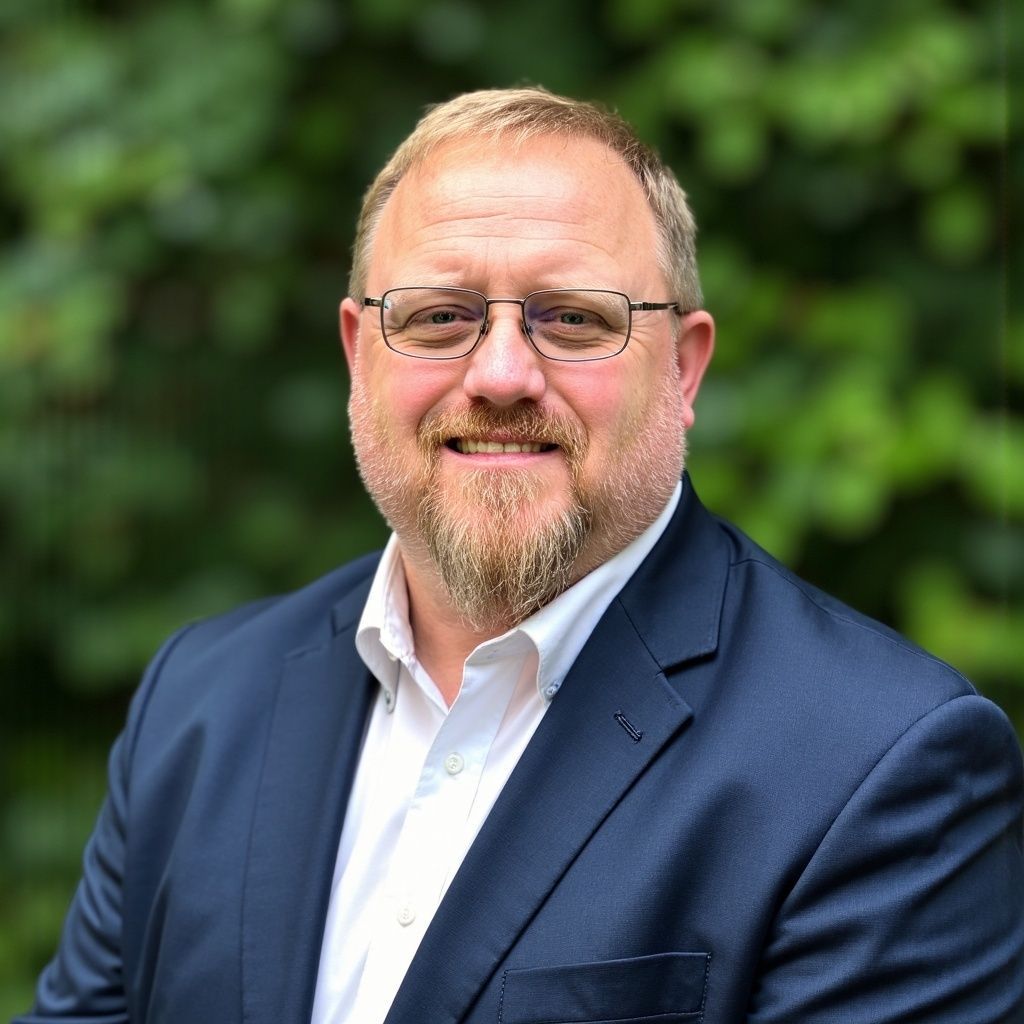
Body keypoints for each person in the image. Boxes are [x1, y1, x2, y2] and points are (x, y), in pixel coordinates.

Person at [16, 87, 1024, 1024]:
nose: (500, 373)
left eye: (575, 319)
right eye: (439, 317)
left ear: (682, 367)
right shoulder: (200, 699)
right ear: (358, 356)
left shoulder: (883, 765)